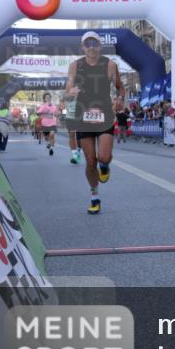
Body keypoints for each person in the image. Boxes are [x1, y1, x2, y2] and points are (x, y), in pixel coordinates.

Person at [64, 31, 125, 215]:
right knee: (90, 160)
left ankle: (105, 166)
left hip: (104, 114)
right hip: (84, 116)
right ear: (83, 47)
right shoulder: (75, 66)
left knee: (103, 157)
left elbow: (120, 87)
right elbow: (67, 90)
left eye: (94, 43)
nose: (91, 47)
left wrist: (120, 99)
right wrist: (71, 92)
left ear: (100, 46)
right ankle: (94, 196)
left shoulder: (110, 65)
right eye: (87, 44)